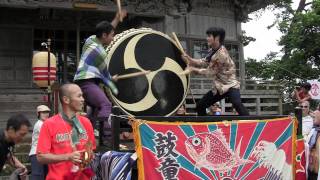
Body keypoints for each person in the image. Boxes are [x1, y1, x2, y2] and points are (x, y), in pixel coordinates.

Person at [73, 10, 127, 130]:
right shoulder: (100, 53)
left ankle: (88, 136)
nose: (113, 38)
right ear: (104, 35)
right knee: (106, 105)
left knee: (96, 109)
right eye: (112, 35)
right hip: (86, 82)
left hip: (85, 81)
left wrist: (117, 18)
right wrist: (112, 80)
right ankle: (107, 138)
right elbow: (105, 75)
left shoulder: (91, 40)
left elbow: (107, 29)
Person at [182, 27, 249, 116]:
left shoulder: (221, 54)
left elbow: (210, 72)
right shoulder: (213, 50)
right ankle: (205, 126)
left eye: (209, 36)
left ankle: (252, 123)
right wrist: (189, 59)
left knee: (237, 104)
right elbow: (204, 61)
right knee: (200, 106)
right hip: (219, 86)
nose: (207, 38)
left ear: (217, 38)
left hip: (230, 85)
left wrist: (192, 69)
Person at [36, 83, 96, 180]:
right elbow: (41, 157)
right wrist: (68, 157)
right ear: (66, 100)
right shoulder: (49, 124)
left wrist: (86, 157)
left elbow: (91, 149)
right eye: (79, 96)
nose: (83, 99)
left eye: (82, 96)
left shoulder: (86, 122)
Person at [0, 114, 31, 179]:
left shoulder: (9, 141)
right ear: (11, 129)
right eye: (21, 134)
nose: (23, 138)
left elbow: (9, 156)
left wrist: (22, 167)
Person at [29, 105, 50, 180]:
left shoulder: (45, 124)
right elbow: (49, 136)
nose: (46, 114)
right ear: (38, 114)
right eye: (43, 112)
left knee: (46, 176)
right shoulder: (39, 124)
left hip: (44, 154)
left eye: (47, 112)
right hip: (36, 154)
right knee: (38, 176)